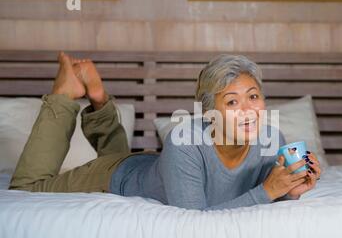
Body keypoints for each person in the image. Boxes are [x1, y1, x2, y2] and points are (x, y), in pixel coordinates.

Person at [9, 52, 322, 210]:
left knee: (141, 167)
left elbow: (255, 194)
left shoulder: (272, 141)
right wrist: (269, 191)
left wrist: (289, 191)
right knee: (24, 190)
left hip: (158, 170)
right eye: (232, 101)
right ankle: (65, 94)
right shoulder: (184, 144)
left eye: (253, 96)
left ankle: (99, 102)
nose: (248, 110)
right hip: (111, 179)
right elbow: (193, 221)